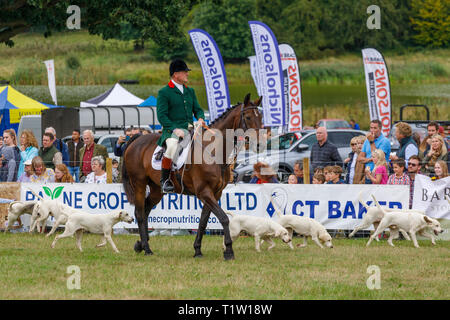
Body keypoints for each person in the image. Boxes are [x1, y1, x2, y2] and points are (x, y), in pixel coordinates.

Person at [156, 58, 205, 193]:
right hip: (172, 131)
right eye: (185, 72)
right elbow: (162, 116)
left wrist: (200, 117)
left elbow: (198, 109)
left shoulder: (190, 91)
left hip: (191, 129)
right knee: (172, 146)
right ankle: (165, 180)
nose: (187, 74)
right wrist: (175, 129)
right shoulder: (164, 92)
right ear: (176, 74)